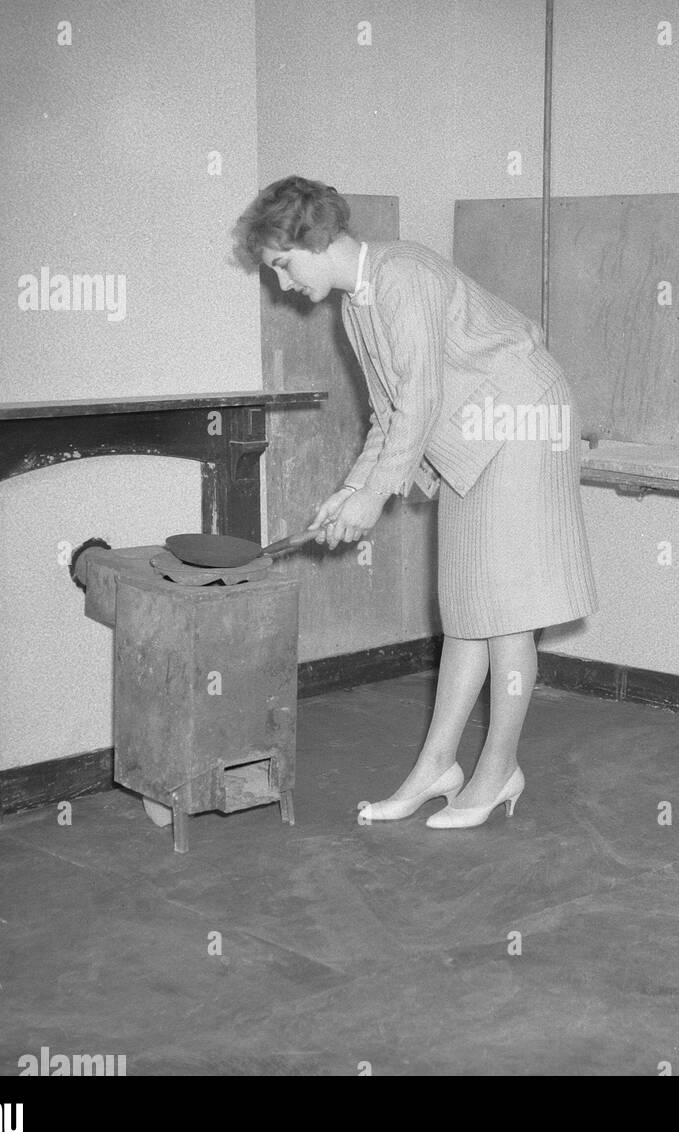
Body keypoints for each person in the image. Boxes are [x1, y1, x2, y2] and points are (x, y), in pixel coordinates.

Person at [234, 177, 597, 829]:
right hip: (471, 435)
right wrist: (352, 491)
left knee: (508, 614)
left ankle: (497, 772)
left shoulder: (401, 275)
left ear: (315, 240)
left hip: (522, 419)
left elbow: (421, 400)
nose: (283, 285)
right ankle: (436, 767)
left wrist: (373, 499)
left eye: (284, 266)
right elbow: (390, 413)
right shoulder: (356, 304)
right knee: (466, 605)